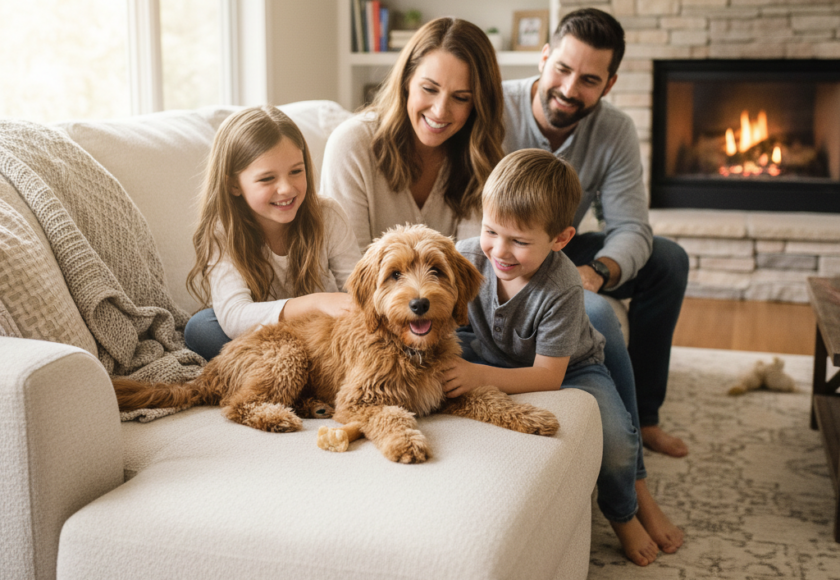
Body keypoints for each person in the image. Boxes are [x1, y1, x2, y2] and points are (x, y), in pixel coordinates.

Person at [447, 149, 683, 566]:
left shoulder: (562, 286)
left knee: (618, 443)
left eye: (520, 241)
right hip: (492, 352)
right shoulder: (466, 258)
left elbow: (547, 376)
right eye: (491, 231)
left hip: (571, 368)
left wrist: (475, 375)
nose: (499, 251)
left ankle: (623, 513)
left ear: (560, 239)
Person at [502, 7, 690, 457]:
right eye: (562, 69)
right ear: (543, 57)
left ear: (609, 84)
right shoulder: (495, 106)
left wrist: (597, 273)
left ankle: (645, 418)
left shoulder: (615, 130)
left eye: (589, 80)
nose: (569, 89)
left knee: (668, 260)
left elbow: (631, 226)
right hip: (501, 252)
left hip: (560, 247)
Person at [184, 106, 361, 360]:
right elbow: (234, 316)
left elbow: (358, 290)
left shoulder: (328, 214)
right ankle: (293, 361)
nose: (286, 188)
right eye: (267, 179)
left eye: (296, 171)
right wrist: (316, 302)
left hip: (320, 333)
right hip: (265, 332)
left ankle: (297, 361)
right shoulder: (222, 231)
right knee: (201, 328)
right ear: (233, 184)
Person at [320, 16, 505, 251]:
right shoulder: (351, 145)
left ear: (477, 104)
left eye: (460, 98)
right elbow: (349, 264)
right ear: (406, 80)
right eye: (429, 89)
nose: (440, 111)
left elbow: (473, 261)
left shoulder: (481, 157)